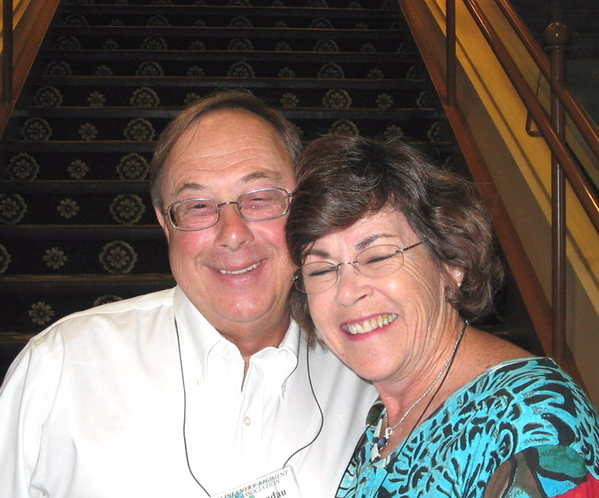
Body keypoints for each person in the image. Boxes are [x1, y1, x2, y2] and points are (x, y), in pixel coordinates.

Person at [0, 91, 377, 498]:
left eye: (260, 198)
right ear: (166, 224)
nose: (232, 234)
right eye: (198, 205)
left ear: (304, 208)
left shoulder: (368, 371)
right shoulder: (62, 366)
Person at [286, 133, 599, 497]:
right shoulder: (385, 420)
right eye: (321, 270)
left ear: (451, 261)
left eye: (378, 257)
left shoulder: (531, 421)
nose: (347, 290)